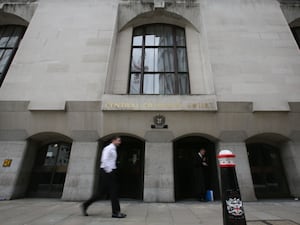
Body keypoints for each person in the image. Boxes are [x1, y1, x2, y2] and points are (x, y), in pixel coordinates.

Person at [81, 136, 126, 218]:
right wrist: (110, 171)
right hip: (107, 172)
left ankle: (85, 204)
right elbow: (104, 160)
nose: (120, 142)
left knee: (101, 193)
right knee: (114, 191)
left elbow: (111, 161)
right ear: (113, 140)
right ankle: (116, 212)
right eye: (118, 140)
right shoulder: (108, 148)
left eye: (120, 140)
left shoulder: (113, 148)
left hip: (110, 171)